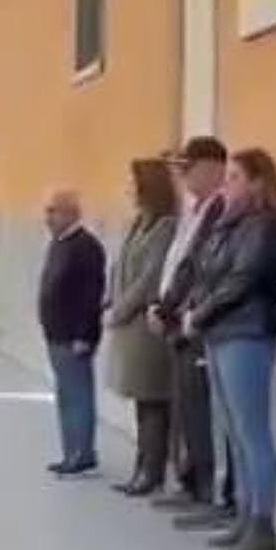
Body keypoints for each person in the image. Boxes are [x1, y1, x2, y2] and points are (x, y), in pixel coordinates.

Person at [182, 148, 276, 550]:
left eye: (234, 177)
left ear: (257, 183)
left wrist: (203, 312)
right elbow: (208, 272)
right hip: (220, 332)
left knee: (253, 433)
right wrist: (196, 310)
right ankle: (246, 517)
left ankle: (263, 524)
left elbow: (243, 279)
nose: (226, 185)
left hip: (246, 333)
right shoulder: (230, 224)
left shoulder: (266, 226)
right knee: (233, 431)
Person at [150, 136, 229, 527]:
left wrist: (175, 309)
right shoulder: (194, 210)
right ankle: (189, 482)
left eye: (188, 168)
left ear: (213, 168)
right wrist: (162, 306)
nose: (183, 177)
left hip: (196, 322)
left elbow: (197, 267)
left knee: (201, 411)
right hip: (178, 319)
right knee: (186, 408)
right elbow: (177, 262)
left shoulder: (218, 210)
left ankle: (207, 491)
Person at [107, 157, 178, 497]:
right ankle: (142, 466)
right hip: (128, 327)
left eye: (133, 184)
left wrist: (120, 310)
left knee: (153, 400)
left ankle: (152, 471)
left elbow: (150, 277)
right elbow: (119, 268)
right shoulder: (139, 224)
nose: (129, 189)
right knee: (140, 402)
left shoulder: (165, 226)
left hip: (145, 331)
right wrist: (110, 302)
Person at [38, 190, 106, 476]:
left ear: (70, 213)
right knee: (66, 396)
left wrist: (84, 334)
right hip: (56, 333)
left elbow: (91, 295)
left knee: (78, 395)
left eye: (53, 211)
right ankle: (70, 451)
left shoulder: (86, 246)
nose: (47, 218)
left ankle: (82, 452)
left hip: (73, 336)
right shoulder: (59, 244)